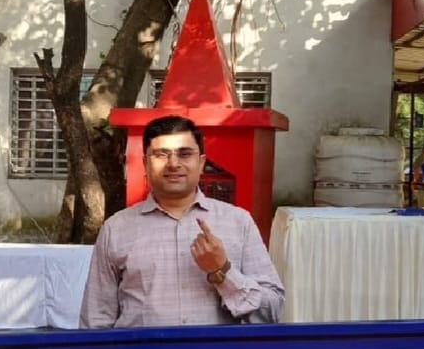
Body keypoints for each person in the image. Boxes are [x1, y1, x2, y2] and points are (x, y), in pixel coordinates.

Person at [79, 115, 284, 328]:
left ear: (201, 163)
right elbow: (95, 321)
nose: (173, 164)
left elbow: (272, 311)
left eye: (185, 154)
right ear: (145, 163)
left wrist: (222, 271)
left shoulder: (238, 222)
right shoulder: (116, 229)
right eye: (161, 154)